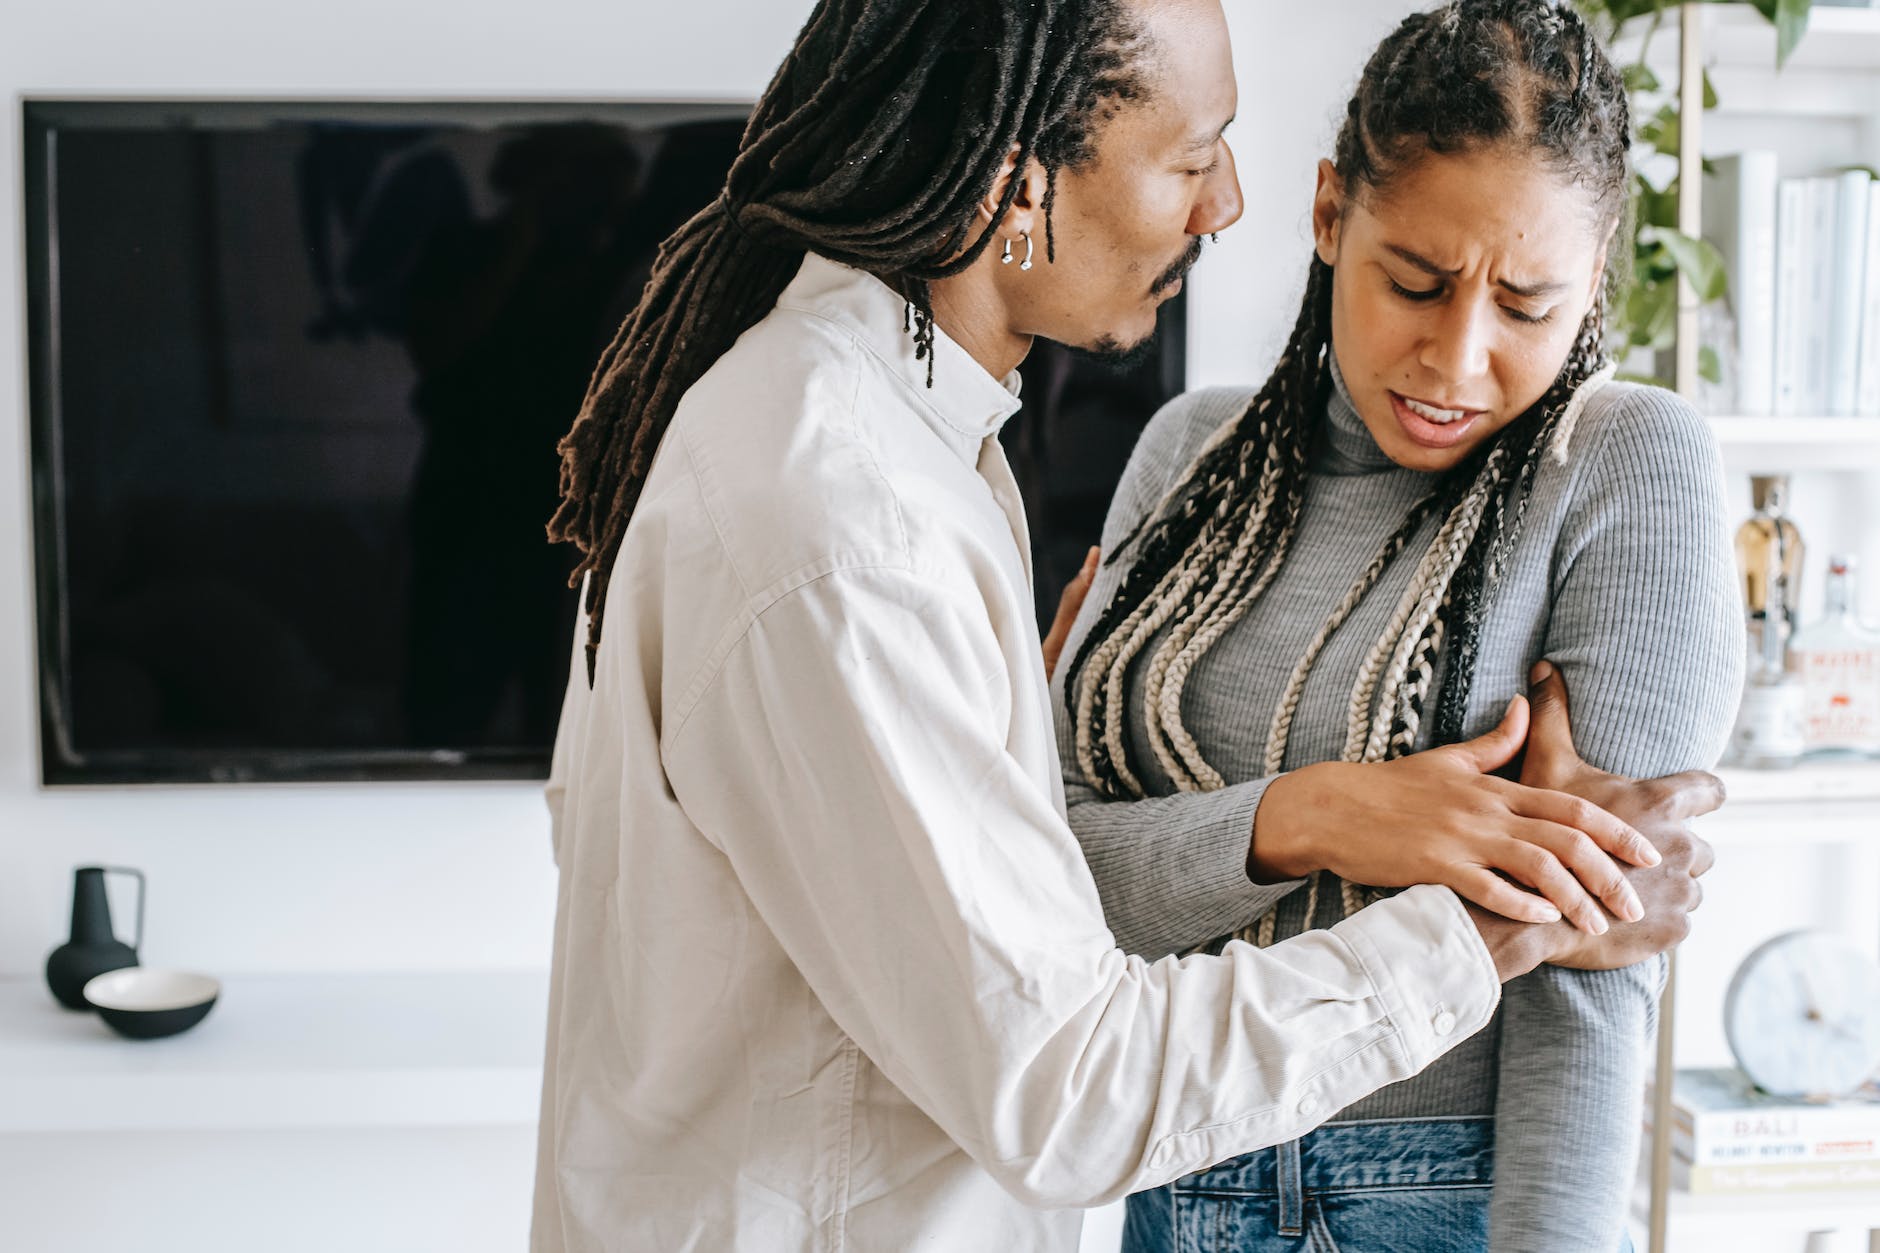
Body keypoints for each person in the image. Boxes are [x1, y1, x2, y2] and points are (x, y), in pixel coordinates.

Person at [532, 2, 1719, 1250]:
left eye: (1526, 303)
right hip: (1140, 1179)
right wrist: (1440, 887)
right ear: (1017, 180)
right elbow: (1066, 1050)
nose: (1224, 206)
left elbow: (1594, 1004)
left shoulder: (911, 448)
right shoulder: (860, 523)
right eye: (1192, 156)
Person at [1054, 3, 1743, 1250]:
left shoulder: (1620, 468)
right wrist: (1312, 813)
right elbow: (1045, 880)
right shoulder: (1185, 454)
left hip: (1436, 1197)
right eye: (1413, 283)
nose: (1456, 359)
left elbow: (1589, 973)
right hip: (1170, 1161)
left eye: (1526, 307)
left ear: (1593, 276)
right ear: (1329, 215)